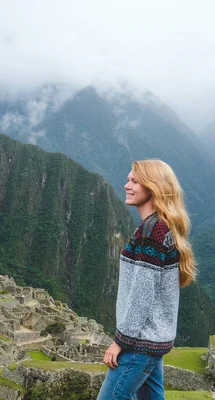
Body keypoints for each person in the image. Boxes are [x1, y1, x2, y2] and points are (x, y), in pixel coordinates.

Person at [97, 159, 196, 400]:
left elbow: (143, 294)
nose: (126, 185)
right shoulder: (161, 227)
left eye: (134, 181)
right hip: (153, 340)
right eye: (128, 179)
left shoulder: (152, 231)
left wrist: (120, 342)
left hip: (139, 344)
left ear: (152, 187)